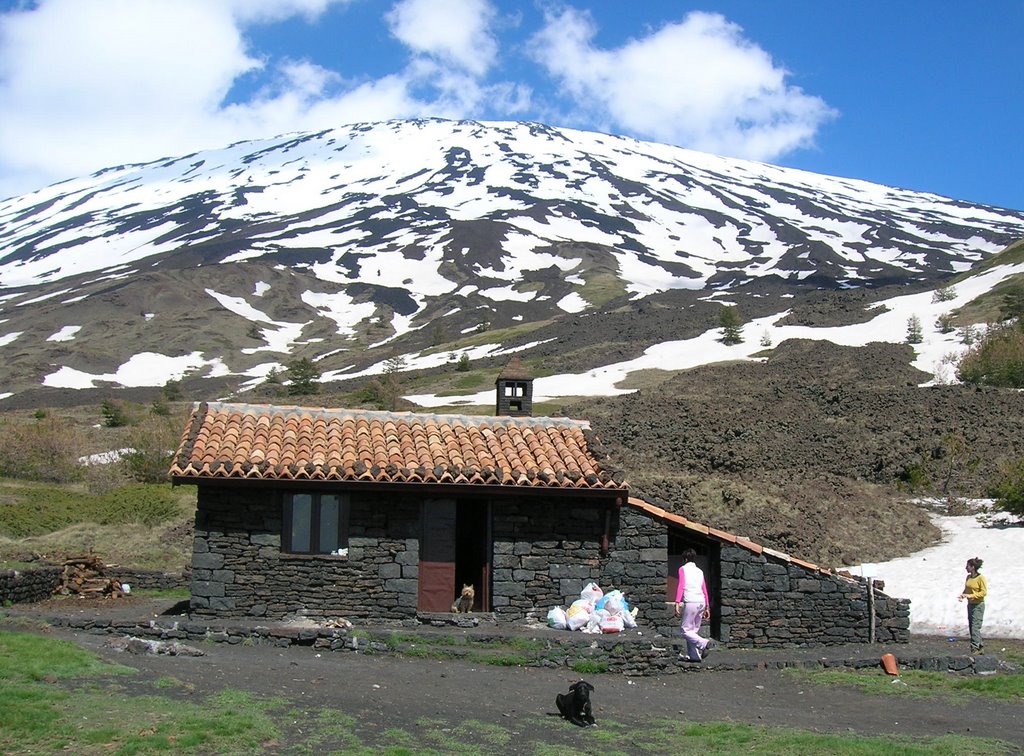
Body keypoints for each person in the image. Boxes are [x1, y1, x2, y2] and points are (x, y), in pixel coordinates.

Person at [673, 548, 715, 661]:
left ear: (685, 559)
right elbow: (704, 589)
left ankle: (704, 643)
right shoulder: (700, 571)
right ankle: (694, 656)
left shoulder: (683, 569)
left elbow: (681, 585)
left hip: (691, 601)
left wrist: (677, 602)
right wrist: (707, 606)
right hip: (701, 601)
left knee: (685, 630)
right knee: (693, 632)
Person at [958, 557, 987, 654]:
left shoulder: (980, 578)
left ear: (973, 567)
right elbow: (967, 589)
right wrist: (963, 595)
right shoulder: (968, 577)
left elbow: (983, 592)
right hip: (970, 604)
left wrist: (971, 595)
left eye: (968, 566)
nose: (966, 568)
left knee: (975, 626)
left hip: (978, 605)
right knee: (972, 626)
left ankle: (974, 648)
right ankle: (980, 646)